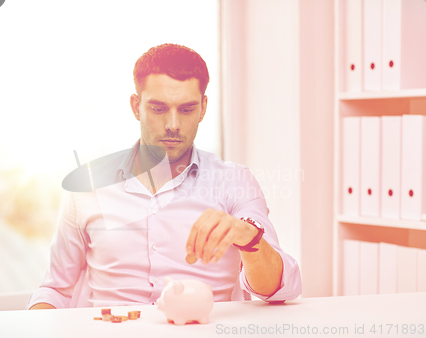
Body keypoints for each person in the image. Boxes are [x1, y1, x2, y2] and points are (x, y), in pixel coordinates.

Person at [27, 43, 301, 310]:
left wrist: (249, 238)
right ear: (136, 106)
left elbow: (280, 289)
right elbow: (55, 289)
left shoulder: (234, 182)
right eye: (158, 109)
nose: (173, 125)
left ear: (203, 108)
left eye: (186, 109)